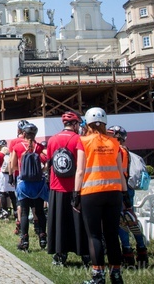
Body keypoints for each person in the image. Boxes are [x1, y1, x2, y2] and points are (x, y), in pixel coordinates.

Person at [73, 107, 129, 284]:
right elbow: (120, 172)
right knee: (112, 234)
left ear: (87, 123)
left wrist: (76, 193)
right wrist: (125, 193)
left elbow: (80, 171)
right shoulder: (114, 143)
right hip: (114, 193)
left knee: (95, 236)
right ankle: (116, 275)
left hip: (91, 193)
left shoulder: (83, 141)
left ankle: (98, 276)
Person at [45, 111, 89, 266]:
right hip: (74, 187)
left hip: (56, 187)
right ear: (76, 124)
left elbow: (49, 163)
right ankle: (85, 254)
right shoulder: (79, 139)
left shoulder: (52, 140)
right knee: (79, 223)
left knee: (59, 222)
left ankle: (60, 254)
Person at [108, 125, 148, 268]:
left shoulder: (118, 151)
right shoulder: (128, 152)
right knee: (131, 220)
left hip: (120, 190)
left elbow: (120, 173)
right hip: (128, 190)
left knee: (122, 222)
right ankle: (142, 249)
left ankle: (127, 252)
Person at [14, 121, 48, 251]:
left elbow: (13, 166)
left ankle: (25, 240)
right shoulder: (39, 147)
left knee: (24, 212)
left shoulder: (17, 147)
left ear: (24, 134)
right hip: (38, 183)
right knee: (39, 211)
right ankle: (43, 236)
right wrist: (42, 171)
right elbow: (47, 159)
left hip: (24, 184)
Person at [0, 139, 16, 220]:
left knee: (0, 193)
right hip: (10, 174)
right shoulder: (9, 154)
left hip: (1, 174)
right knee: (10, 194)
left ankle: (1, 210)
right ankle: (11, 210)